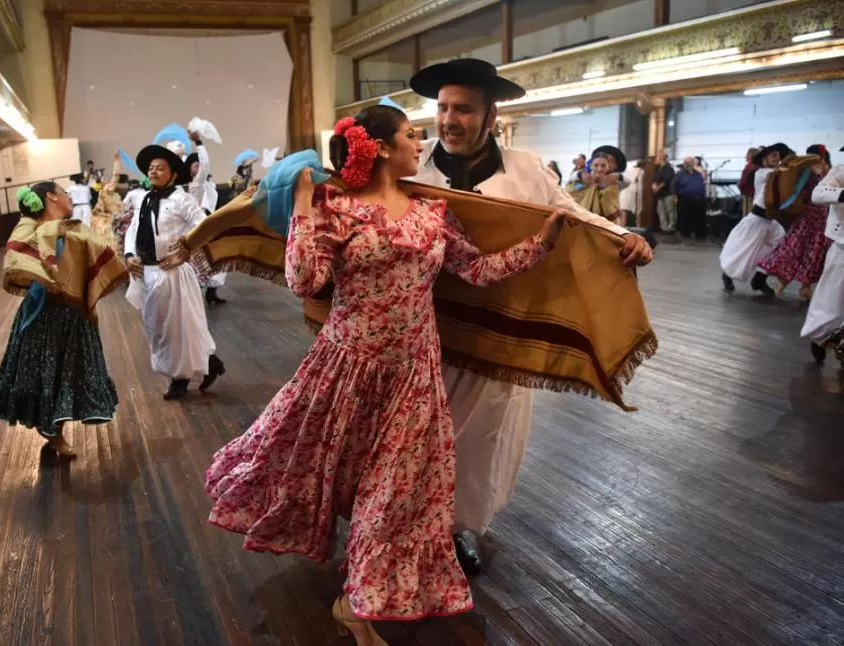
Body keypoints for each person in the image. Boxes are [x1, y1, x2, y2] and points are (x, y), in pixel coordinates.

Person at [203, 105, 565, 644]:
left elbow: (476, 270)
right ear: (377, 148)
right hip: (347, 366)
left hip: (413, 376)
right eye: (409, 135)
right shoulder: (334, 209)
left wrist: (541, 245)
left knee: (397, 490)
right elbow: (305, 280)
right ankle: (360, 593)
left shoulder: (433, 213)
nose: (420, 143)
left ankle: (359, 600)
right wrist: (303, 206)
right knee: (323, 467)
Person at [406, 57, 653, 573]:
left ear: (490, 115)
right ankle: (406, 522)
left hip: (501, 332)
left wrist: (625, 238)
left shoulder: (525, 169)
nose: (450, 119)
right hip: (427, 331)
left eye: (464, 109)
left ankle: (459, 527)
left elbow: (573, 216)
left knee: (482, 437)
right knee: (414, 433)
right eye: (444, 108)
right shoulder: (413, 169)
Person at [0, 182, 127, 457]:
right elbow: (17, 255)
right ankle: (51, 432)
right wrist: (53, 234)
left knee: (69, 372)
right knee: (44, 372)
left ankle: (56, 431)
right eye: (63, 192)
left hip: (73, 313)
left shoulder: (73, 230)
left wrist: (90, 303)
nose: (68, 196)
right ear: (51, 196)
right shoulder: (30, 227)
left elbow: (87, 267)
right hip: (44, 313)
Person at [124, 144, 225, 400]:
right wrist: (129, 256)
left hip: (173, 274)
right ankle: (211, 364)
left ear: (173, 174)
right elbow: (132, 231)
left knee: (178, 328)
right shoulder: (145, 199)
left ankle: (179, 379)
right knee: (158, 328)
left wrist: (186, 251)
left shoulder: (182, 199)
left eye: (160, 168)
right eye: (151, 168)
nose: (154, 172)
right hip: (147, 274)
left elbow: (205, 227)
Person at [758, 145, 832, 301]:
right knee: (795, 250)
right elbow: (801, 191)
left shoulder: (826, 170)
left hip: (820, 219)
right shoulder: (805, 170)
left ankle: (805, 287)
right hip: (808, 217)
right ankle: (784, 282)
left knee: (812, 253)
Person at [720, 142, 792, 294]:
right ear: (765, 158)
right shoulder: (763, 173)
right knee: (743, 251)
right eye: (774, 156)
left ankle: (760, 278)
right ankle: (727, 274)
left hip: (770, 221)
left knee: (780, 244)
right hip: (757, 220)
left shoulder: (776, 173)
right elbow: (777, 174)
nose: (777, 159)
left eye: (778, 157)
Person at [802, 145, 844, 366]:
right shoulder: (840, 171)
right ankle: (820, 337)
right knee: (830, 300)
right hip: (842, 248)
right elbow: (818, 193)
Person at [184, 150, 227, 305]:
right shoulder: (192, 184)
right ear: (189, 167)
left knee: (219, 257)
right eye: (196, 166)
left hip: (208, 224)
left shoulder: (210, 186)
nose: (199, 169)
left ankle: (211, 292)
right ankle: (191, 293)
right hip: (193, 227)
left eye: (200, 166)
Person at [565, 148, 623, 222]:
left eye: (603, 166)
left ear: (608, 167)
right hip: (583, 222)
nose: (599, 169)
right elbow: (569, 191)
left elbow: (613, 210)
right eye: (596, 165)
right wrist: (585, 183)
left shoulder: (613, 185)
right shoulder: (583, 182)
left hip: (606, 225)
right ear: (591, 166)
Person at [670, 156, 707, 239]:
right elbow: (673, 185)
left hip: (698, 198)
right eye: (688, 163)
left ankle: (699, 234)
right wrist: (675, 196)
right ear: (685, 164)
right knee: (685, 218)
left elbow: (701, 184)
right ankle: (685, 233)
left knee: (699, 217)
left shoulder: (697, 174)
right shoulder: (680, 174)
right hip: (685, 198)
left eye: (691, 163)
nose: (690, 164)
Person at [652, 151, 676, 233]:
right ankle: (664, 227)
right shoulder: (659, 169)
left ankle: (671, 227)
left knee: (670, 210)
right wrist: (654, 185)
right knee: (660, 210)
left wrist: (657, 187)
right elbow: (655, 179)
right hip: (660, 194)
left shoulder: (669, 168)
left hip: (668, 193)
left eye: (657, 158)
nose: (655, 160)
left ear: (662, 159)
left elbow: (667, 180)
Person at [738, 147, 761, 216]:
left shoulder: (750, 167)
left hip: (748, 195)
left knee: (748, 216)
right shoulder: (759, 166)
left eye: (747, 154)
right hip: (758, 195)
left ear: (751, 155)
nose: (745, 156)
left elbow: (743, 182)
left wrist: (740, 186)